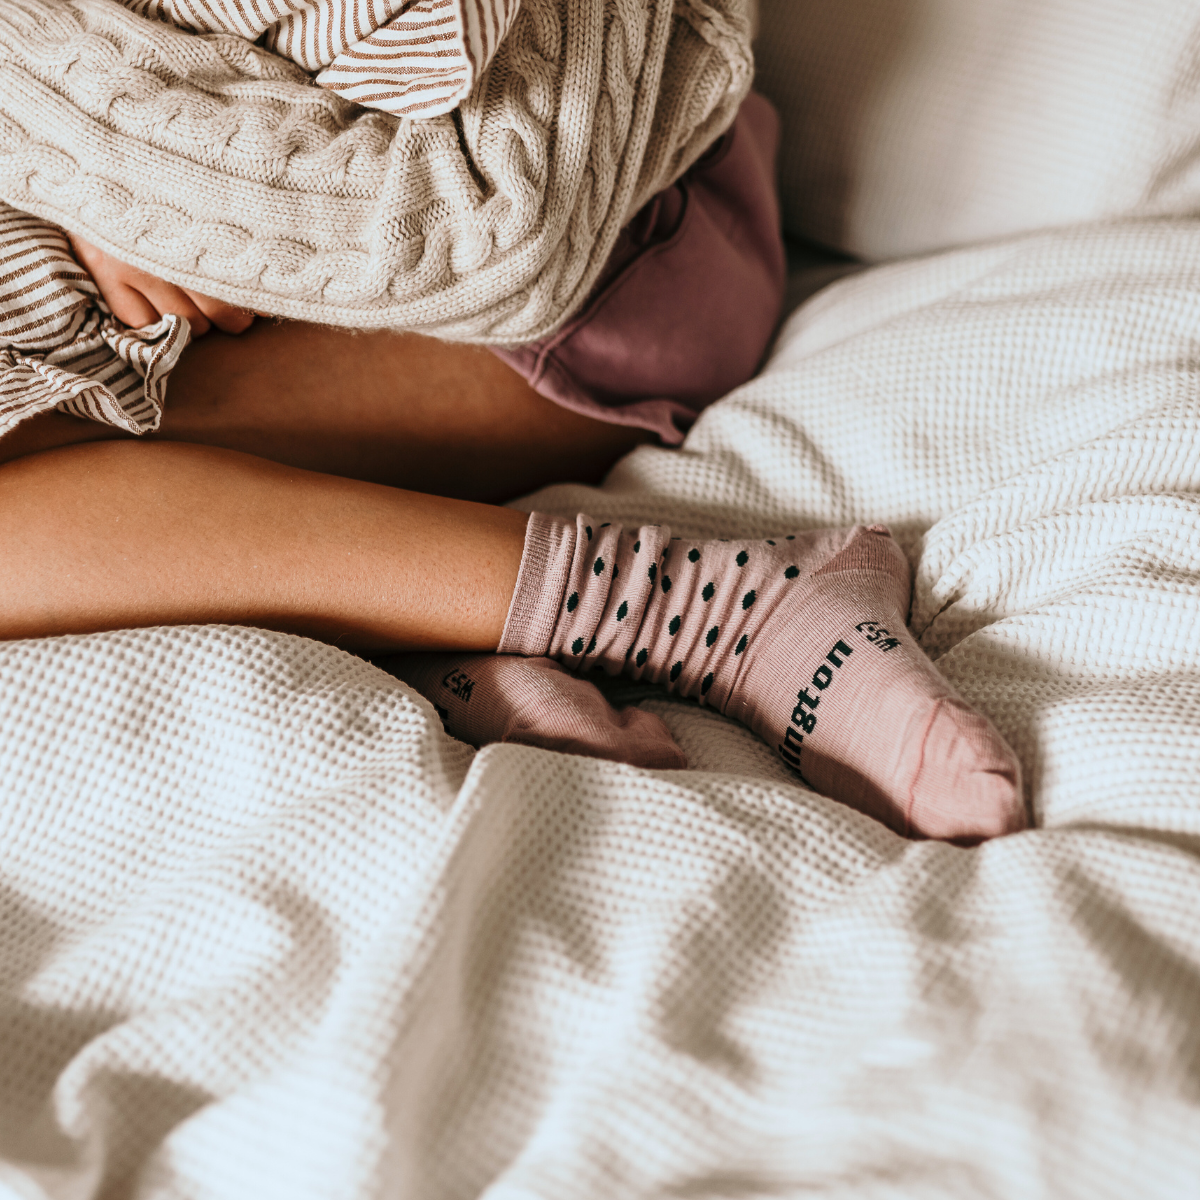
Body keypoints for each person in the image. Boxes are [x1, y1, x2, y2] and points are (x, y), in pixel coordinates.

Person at [0, 2, 1026, 841]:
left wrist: (94, 153)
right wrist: (82, 143)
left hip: (597, 262)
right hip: (247, 243)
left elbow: (500, 224)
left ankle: (703, 609)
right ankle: (436, 620)